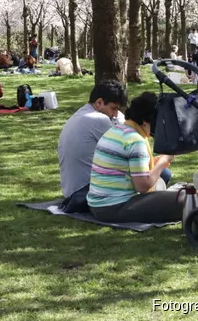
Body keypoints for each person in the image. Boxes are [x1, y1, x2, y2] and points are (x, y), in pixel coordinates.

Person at [87, 92, 185, 223]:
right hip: (115, 207)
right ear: (146, 121)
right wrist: (163, 161)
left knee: (165, 178)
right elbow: (143, 186)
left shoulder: (117, 130)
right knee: (185, 198)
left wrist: (155, 163)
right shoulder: (135, 140)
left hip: (98, 204)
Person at [58, 81, 128, 210]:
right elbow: (125, 151)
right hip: (86, 194)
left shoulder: (81, 114)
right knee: (159, 175)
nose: (115, 114)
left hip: (72, 192)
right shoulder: (99, 120)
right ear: (99, 102)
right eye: (113, 108)